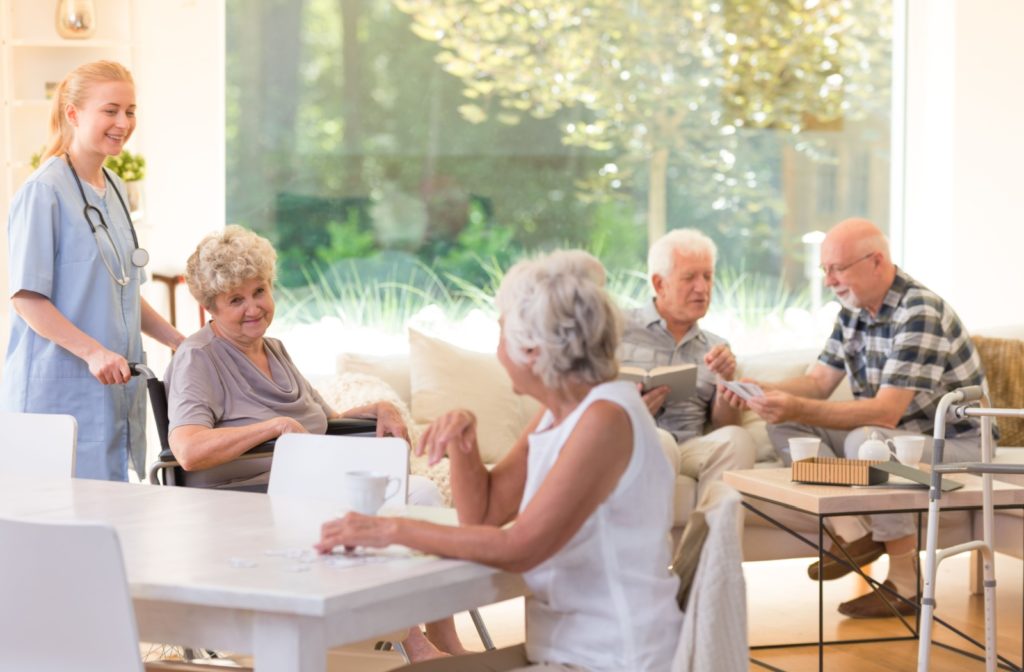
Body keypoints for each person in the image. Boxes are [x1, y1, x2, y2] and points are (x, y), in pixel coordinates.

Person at [317, 250, 683, 671]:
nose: (497, 348)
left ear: (532, 350)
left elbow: (518, 548)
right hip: (570, 649)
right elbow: (484, 517)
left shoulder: (605, 420)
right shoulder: (563, 410)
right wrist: (465, 446)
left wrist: (389, 528)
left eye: (501, 332)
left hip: (613, 658)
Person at [165, 224, 465, 660]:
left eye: (259, 291)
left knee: (420, 493)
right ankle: (416, 644)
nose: (254, 308)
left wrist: (379, 406)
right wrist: (273, 428)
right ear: (209, 306)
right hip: (246, 500)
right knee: (411, 496)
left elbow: (327, 422)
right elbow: (189, 449)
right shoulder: (199, 356)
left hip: (308, 482)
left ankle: (441, 636)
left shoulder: (276, 350)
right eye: (236, 300)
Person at [725, 217, 992, 618]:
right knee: (784, 424)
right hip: (896, 437)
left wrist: (794, 403)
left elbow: (887, 412)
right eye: (825, 270)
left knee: (867, 442)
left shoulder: (919, 311)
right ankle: (855, 534)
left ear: (876, 262)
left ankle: (906, 584)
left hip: (957, 442)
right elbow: (817, 382)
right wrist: (755, 388)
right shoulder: (854, 311)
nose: (829, 280)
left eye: (837, 268)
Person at [1, 60, 184, 481]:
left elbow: (119, 288)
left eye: (131, 110)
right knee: (56, 525)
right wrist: (93, 352)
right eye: (111, 110)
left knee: (108, 514)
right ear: (73, 113)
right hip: (58, 390)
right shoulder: (43, 192)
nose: (123, 122)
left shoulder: (116, 187)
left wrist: (177, 340)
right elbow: (27, 299)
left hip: (111, 388)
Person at [619, 228, 757, 503]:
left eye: (707, 276)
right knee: (661, 440)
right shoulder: (617, 329)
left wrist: (725, 381)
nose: (702, 288)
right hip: (635, 441)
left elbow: (723, 425)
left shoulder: (717, 347)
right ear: (659, 284)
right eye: (689, 277)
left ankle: (709, 542)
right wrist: (631, 411)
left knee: (736, 439)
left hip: (692, 446)